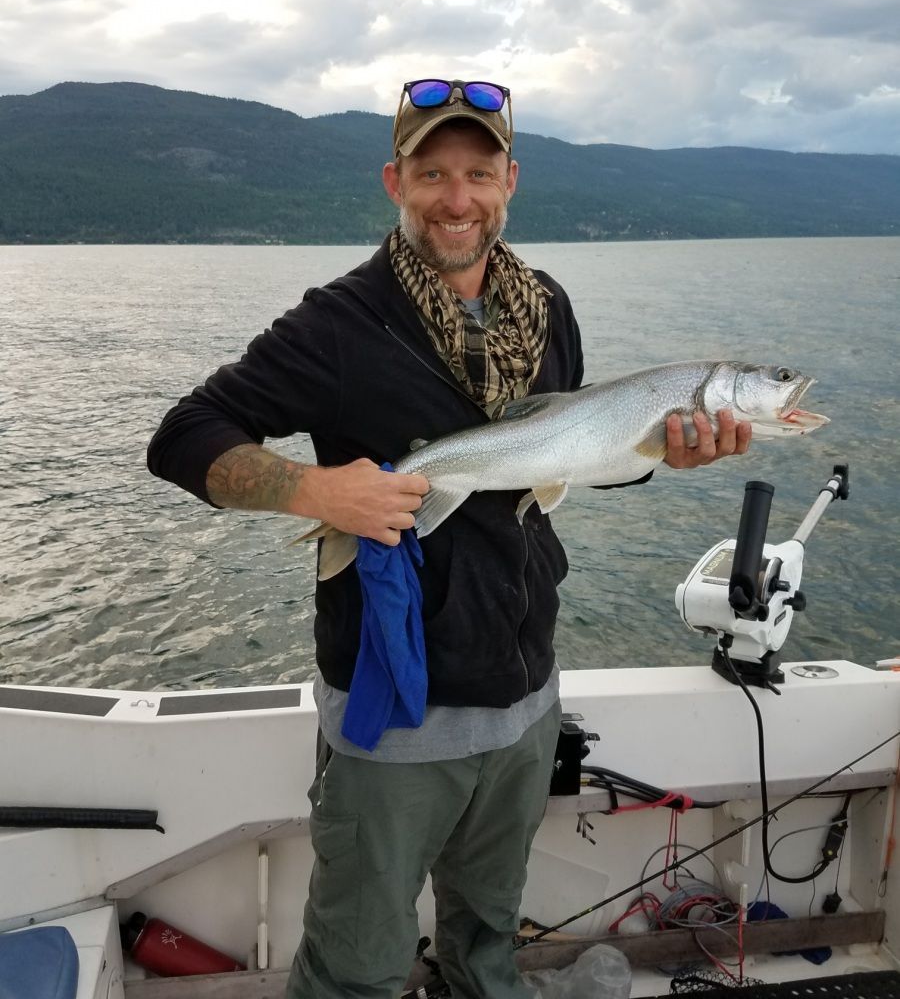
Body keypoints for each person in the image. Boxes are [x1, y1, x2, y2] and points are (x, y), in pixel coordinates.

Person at [147, 77, 751, 999]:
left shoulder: (546, 306)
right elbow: (183, 435)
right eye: (433, 173)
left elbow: (564, 463)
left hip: (523, 689)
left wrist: (657, 458)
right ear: (395, 180)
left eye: (478, 172)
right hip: (397, 708)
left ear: (511, 178)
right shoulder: (340, 324)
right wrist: (316, 489)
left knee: (486, 935)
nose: (457, 199)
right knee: (359, 962)